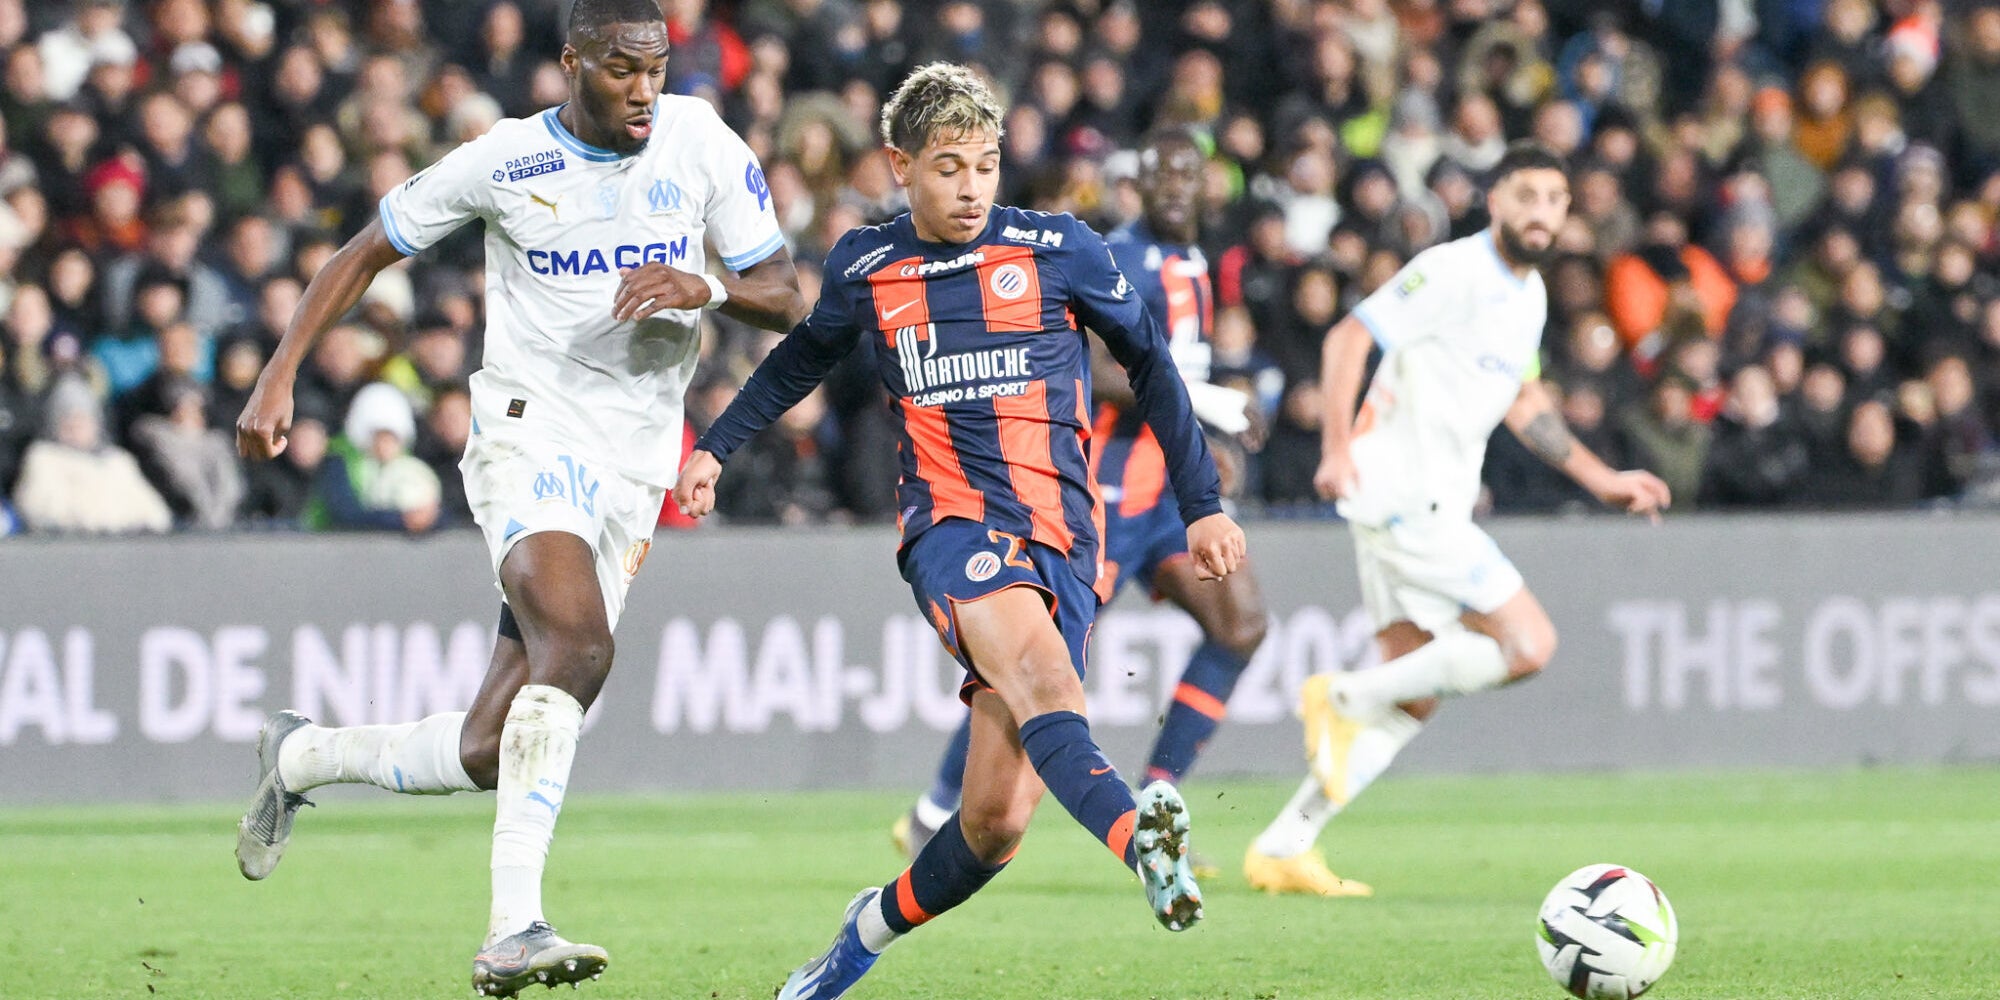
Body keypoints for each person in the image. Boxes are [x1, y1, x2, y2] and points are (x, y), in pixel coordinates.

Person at [228, 1, 806, 995]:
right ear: (572, 62)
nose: (643, 88)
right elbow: (362, 250)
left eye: (656, 67)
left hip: (635, 463)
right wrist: (280, 373)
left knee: (493, 745)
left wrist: (699, 286)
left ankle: (303, 756)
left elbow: (788, 290)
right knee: (578, 647)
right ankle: (511, 928)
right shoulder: (502, 160)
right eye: (622, 69)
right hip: (528, 429)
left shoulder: (699, 140)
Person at [672, 63, 1246, 1000]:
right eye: (948, 167)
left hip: (1064, 533)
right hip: (950, 526)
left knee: (993, 825)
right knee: (1043, 676)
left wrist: (1202, 503)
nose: (972, 186)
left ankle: (853, 944)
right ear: (901, 166)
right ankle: (1139, 841)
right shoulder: (868, 264)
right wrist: (716, 448)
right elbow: (799, 361)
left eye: (984, 164)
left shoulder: (1060, 249)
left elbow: (1151, 366)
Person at [1244, 142, 1671, 895]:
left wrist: (1602, 479)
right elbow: (1350, 337)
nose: (1541, 212)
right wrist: (1337, 447)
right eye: (1527, 195)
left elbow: (1523, 399)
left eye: (1555, 199)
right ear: (1496, 200)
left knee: (1414, 692)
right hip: (1408, 496)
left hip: (1405, 503)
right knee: (1529, 643)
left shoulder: (1529, 296)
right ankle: (1340, 697)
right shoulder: (1452, 270)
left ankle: (1286, 843)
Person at [887, 128, 1272, 882]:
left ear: (1206, 186)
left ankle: (1161, 798)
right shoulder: (1119, 255)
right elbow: (1101, 368)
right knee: (1035, 661)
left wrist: (1206, 420)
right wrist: (1217, 403)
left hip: (1162, 496)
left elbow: (1172, 368)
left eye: (1185, 173)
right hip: (1099, 492)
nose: (1172, 186)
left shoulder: (1197, 261)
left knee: (1242, 624)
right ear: (1139, 182)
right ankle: (935, 810)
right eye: (1158, 170)